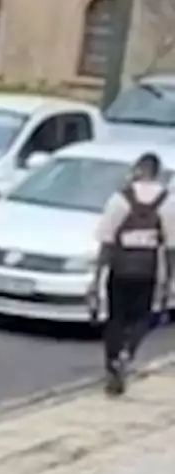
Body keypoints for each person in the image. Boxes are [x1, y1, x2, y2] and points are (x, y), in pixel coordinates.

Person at [88, 151, 175, 395]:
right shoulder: (168, 202)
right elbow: (171, 246)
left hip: (120, 267)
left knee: (116, 317)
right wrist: (168, 280)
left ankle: (112, 364)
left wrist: (96, 278)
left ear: (137, 169)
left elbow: (106, 240)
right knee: (142, 317)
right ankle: (128, 352)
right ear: (158, 173)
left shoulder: (119, 199)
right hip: (147, 269)